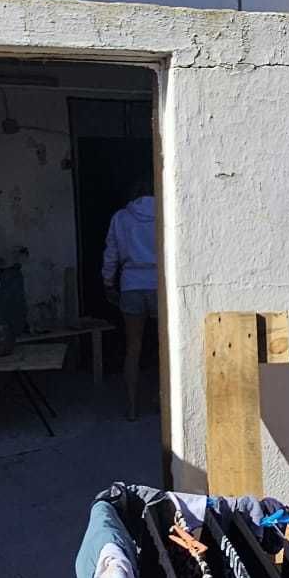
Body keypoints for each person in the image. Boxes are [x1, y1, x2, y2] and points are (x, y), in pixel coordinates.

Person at [101, 179, 158, 420]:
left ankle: (132, 407)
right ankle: (161, 399)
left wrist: (107, 282)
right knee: (163, 347)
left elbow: (111, 252)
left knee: (133, 347)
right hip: (159, 283)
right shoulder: (166, 211)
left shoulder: (121, 217)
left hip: (131, 284)